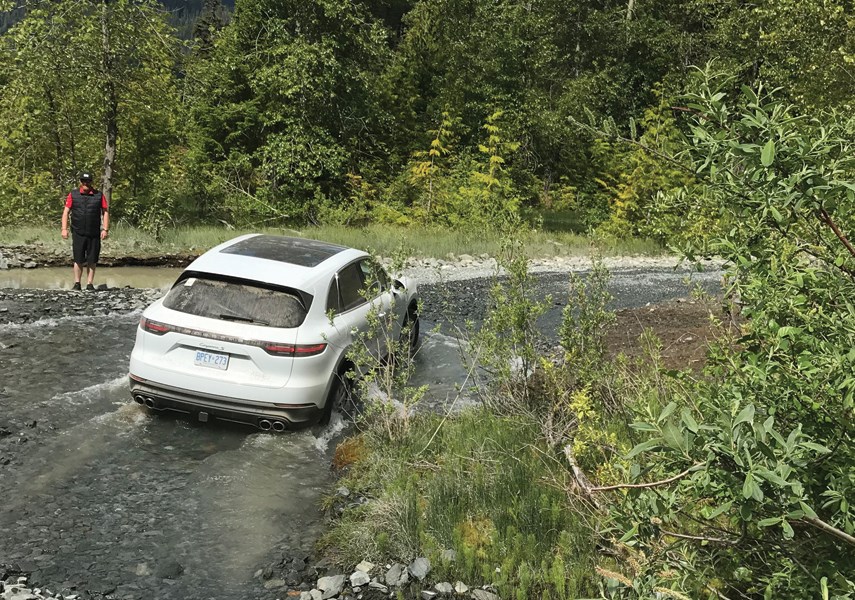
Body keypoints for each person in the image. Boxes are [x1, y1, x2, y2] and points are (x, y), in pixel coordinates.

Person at [61, 172, 109, 290]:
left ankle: (89, 284)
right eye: (83, 181)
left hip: (94, 232)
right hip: (78, 231)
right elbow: (66, 212)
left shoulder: (99, 195)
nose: (85, 183)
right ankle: (77, 283)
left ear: (91, 182)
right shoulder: (73, 194)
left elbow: (105, 212)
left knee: (92, 259)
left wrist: (105, 229)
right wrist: (64, 229)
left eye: (87, 181)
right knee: (78, 258)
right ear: (80, 182)